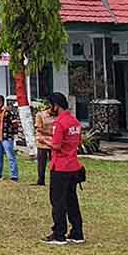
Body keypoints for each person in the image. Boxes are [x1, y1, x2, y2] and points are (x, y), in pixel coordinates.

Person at [43, 92, 84, 245]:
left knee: (58, 201)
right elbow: (77, 142)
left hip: (60, 167)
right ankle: (77, 232)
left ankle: (59, 233)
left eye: (50, 105)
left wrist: (43, 141)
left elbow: (56, 145)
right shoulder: (74, 121)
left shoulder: (59, 123)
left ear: (56, 105)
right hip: (73, 166)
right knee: (72, 199)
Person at [0, 96, 21, 181]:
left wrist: (13, 134)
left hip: (7, 137)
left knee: (10, 156)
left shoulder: (8, 111)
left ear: (1, 101)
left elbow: (15, 123)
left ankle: (14, 175)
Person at [34, 102, 57, 186]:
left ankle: (54, 179)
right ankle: (41, 179)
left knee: (54, 162)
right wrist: (52, 133)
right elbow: (39, 129)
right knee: (41, 162)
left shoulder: (58, 116)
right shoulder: (40, 115)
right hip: (42, 141)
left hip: (53, 142)